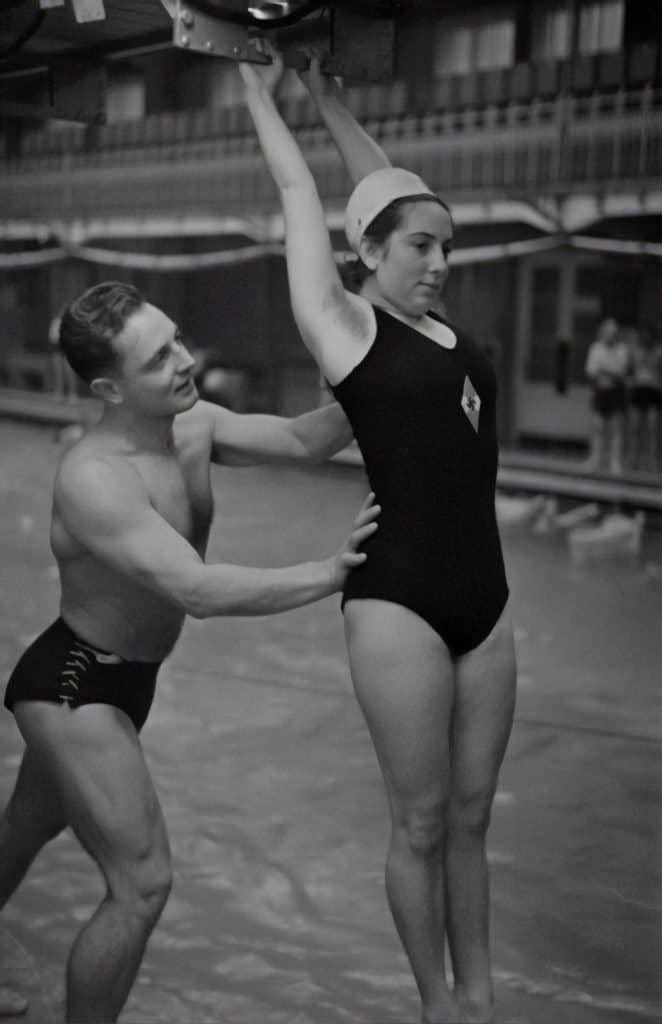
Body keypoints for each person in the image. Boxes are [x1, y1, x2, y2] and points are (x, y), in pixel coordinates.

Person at [0, 280, 380, 1024]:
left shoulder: (195, 425)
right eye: (157, 358)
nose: (184, 360)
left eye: (176, 339)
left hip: (124, 680)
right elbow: (196, 590)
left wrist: (380, 370)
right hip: (76, 686)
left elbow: (308, 440)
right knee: (141, 884)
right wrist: (329, 573)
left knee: (26, 826)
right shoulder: (94, 479)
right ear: (110, 387)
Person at [239, 50, 517, 1024]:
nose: (439, 263)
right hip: (397, 598)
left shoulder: (442, 328)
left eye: (445, 246)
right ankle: (437, 1004)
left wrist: (327, 96)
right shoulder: (346, 327)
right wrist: (254, 91)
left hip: (486, 604)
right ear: (369, 256)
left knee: (474, 819)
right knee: (423, 818)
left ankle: (482, 999)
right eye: (420, 249)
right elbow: (299, 191)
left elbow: (379, 187)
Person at [584, 317, 630, 474]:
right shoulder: (595, 348)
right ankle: (595, 459)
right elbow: (591, 372)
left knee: (616, 429)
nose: (612, 335)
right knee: (598, 427)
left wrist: (604, 369)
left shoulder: (622, 349)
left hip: (616, 392)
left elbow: (621, 373)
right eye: (609, 332)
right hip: (600, 391)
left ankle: (615, 462)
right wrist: (609, 371)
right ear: (603, 332)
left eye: (614, 332)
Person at [626, 326, 662, 472]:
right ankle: (633, 459)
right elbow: (629, 370)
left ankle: (652, 461)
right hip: (638, 389)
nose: (646, 339)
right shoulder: (635, 351)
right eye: (644, 336)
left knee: (652, 428)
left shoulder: (659, 352)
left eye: (649, 336)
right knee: (634, 428)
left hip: (652, 390)